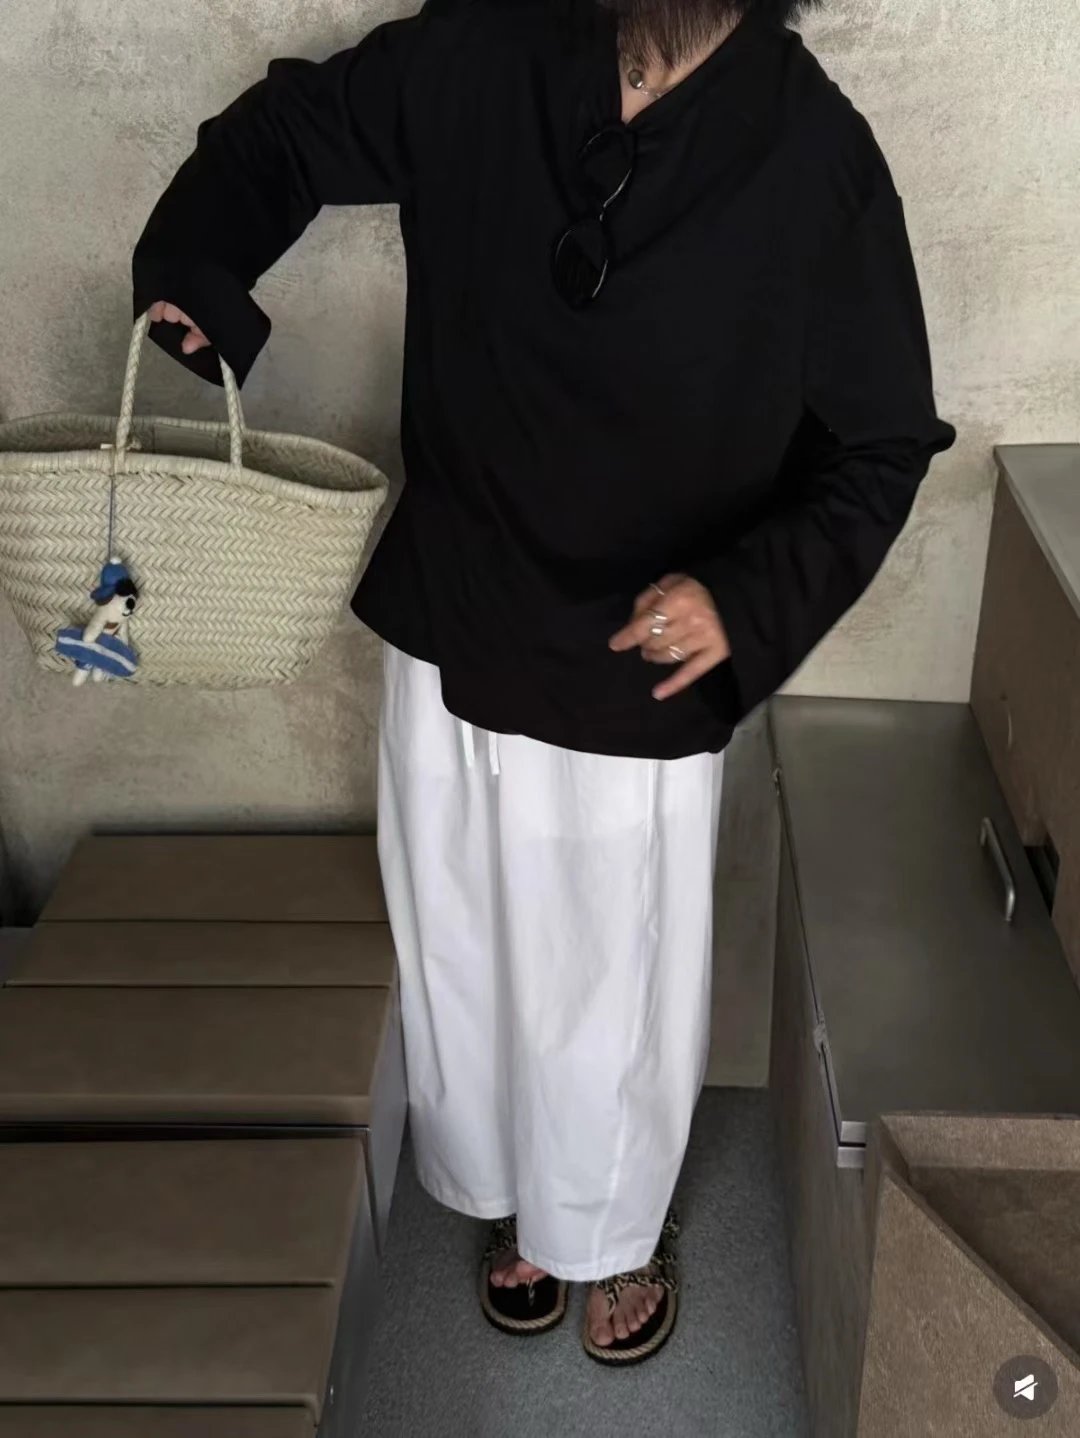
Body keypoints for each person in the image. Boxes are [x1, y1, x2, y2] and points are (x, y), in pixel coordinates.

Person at [133, 0, 955, 1365]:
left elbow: (881, 441)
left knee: (607, 982)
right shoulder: (485, 50)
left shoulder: (814, 155)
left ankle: (608, 1228)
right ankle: (516, 1196)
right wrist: (200, 269)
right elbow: (287, 131)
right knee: (461, 943)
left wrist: (744, 600)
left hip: (641, 656)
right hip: (456, 607)